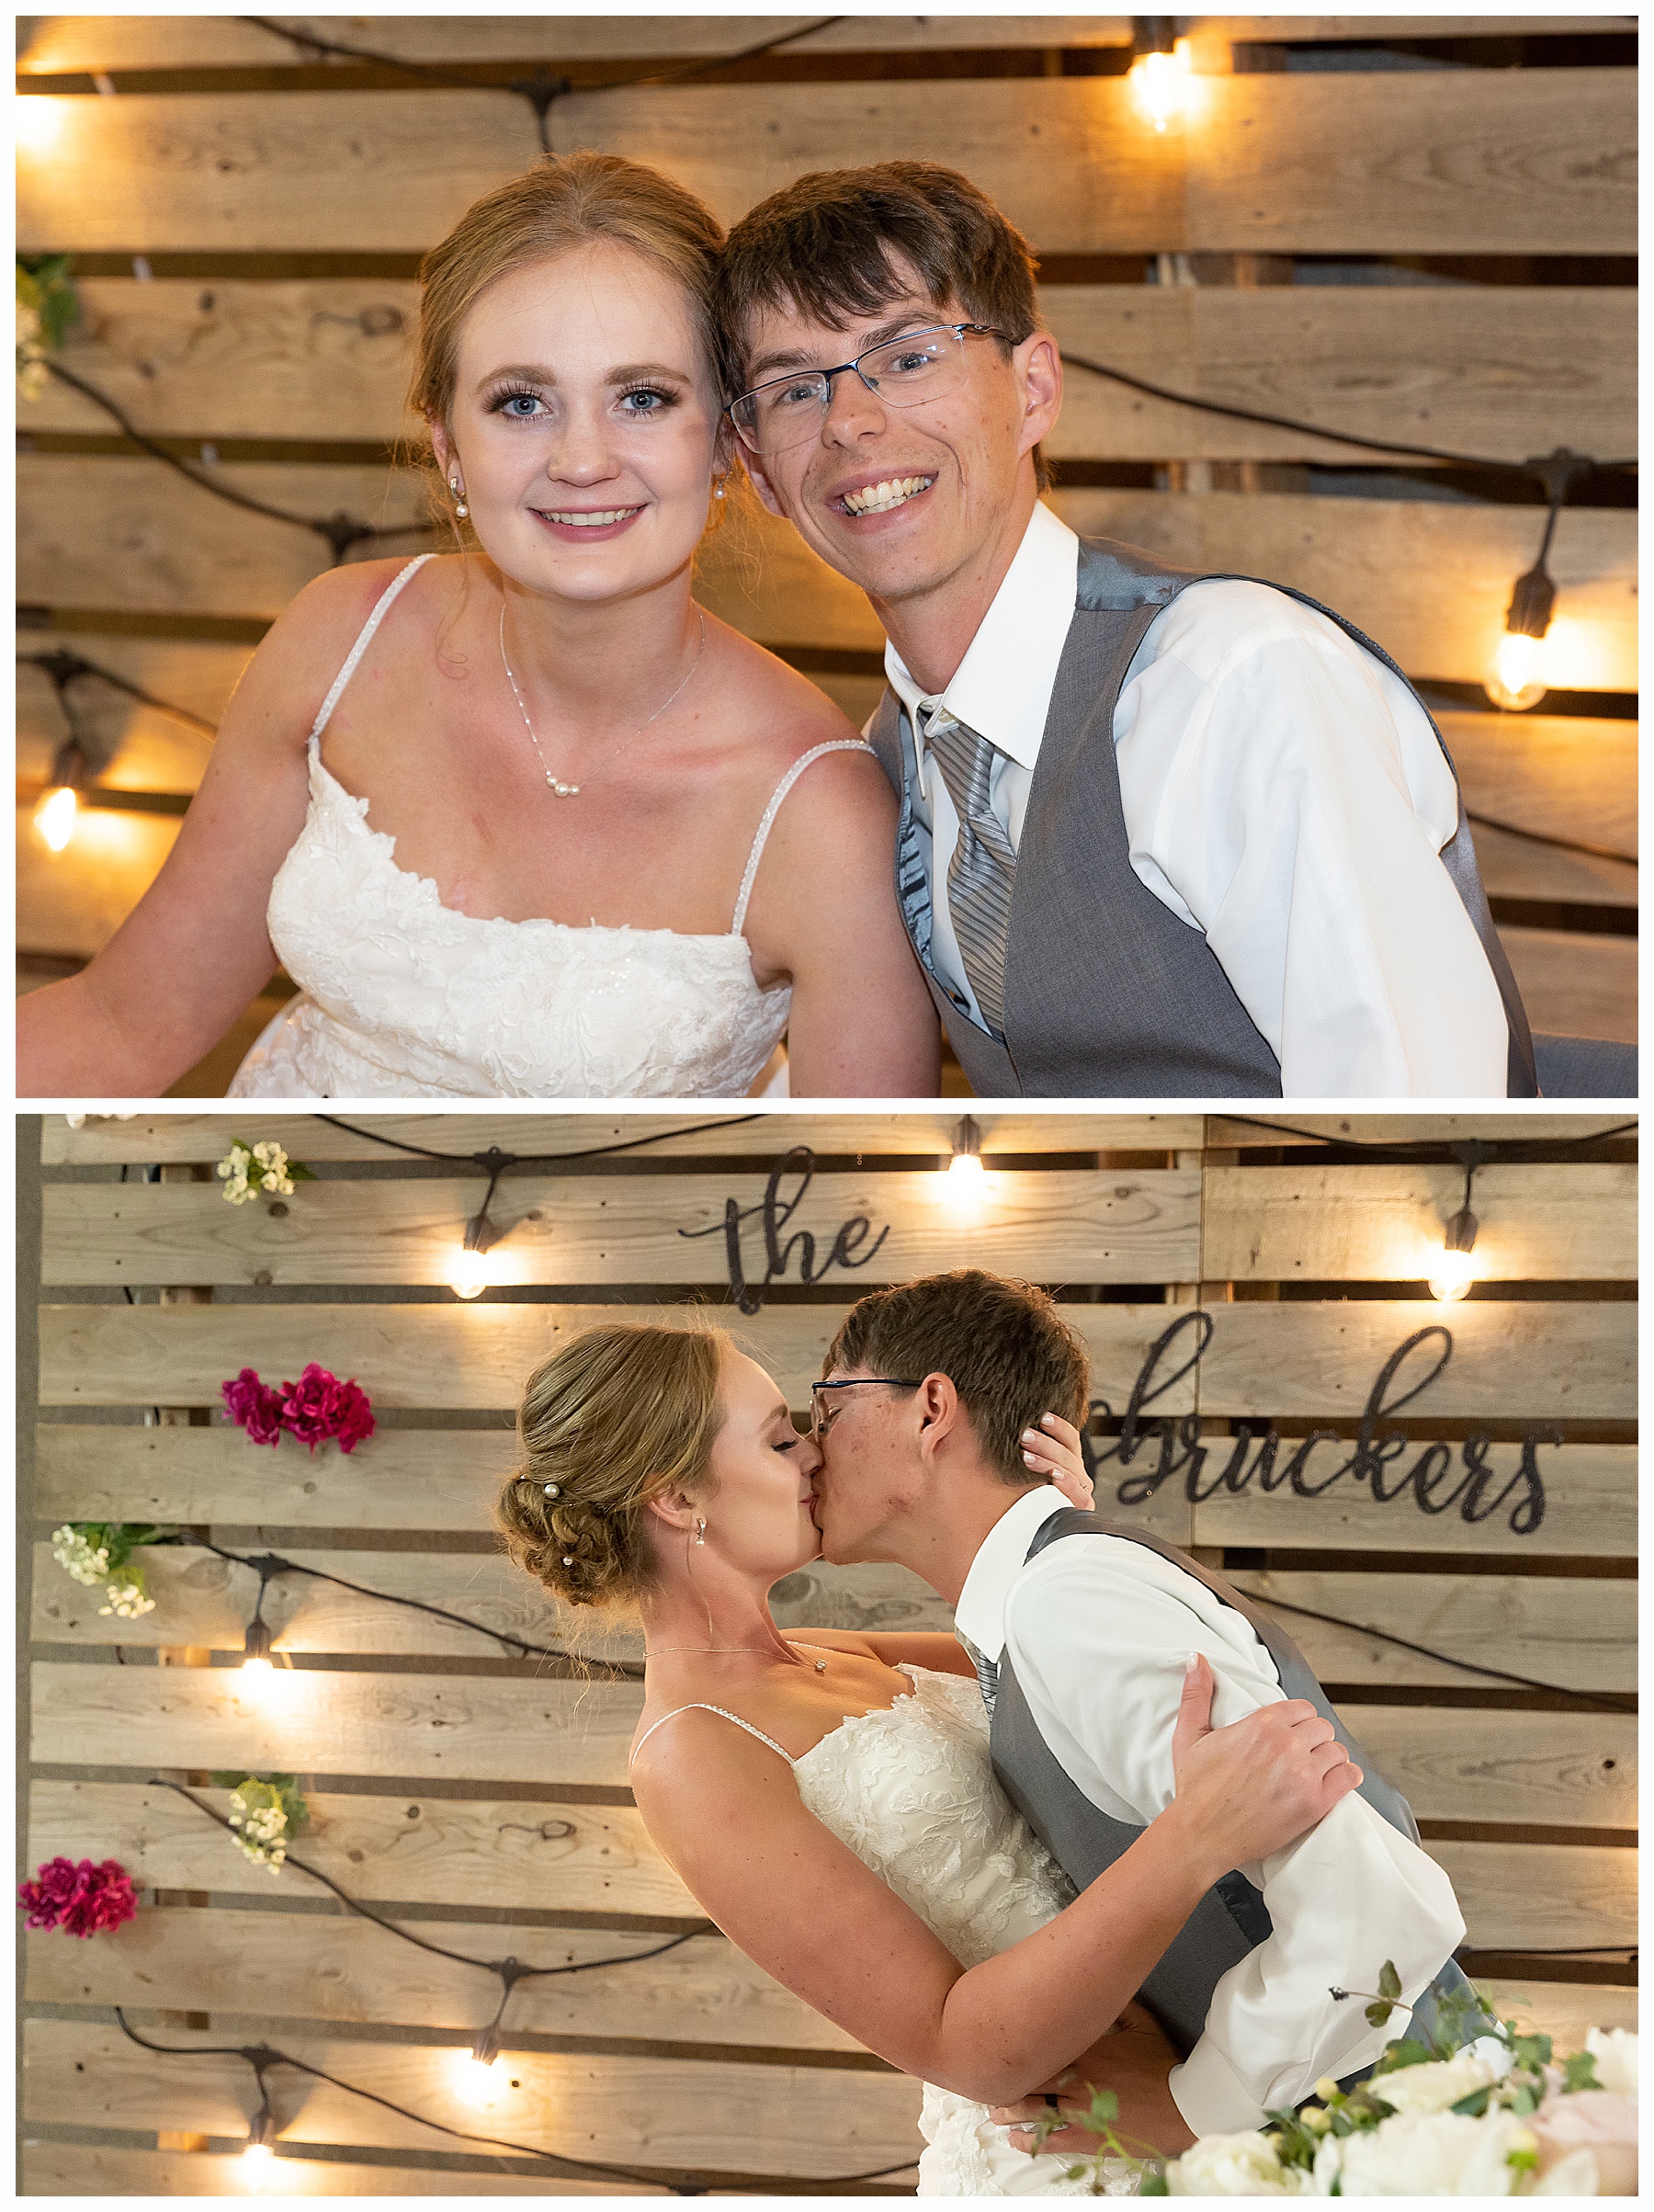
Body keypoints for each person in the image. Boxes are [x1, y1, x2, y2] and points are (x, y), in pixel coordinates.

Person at [17, 154, 937, 1101]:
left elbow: (852, 1207)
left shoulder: (822, 818)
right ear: (449, 447)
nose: (582, 460)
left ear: (724, 443)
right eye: (522, 403)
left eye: (644, 397)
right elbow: (121, 1026)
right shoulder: (339, 641)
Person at [712, 159, 1541, 1099]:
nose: (850, 424)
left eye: (907, 357)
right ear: (761, 472)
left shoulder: (1234, 681)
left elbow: (1418, 1117)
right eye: (794, 389)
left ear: (1034, 390)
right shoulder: (889, 761)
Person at [497, 1320, 1368, 2194]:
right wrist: (1192, 1843)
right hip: (1064, 2156)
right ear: (678, 1499)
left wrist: (1058, 1533)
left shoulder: (834, 1651)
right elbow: (959, 2044)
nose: (812, 1452)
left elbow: (1065, 1647)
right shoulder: (690, 1752)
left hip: (1205, 2091)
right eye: (776, 1437)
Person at [810, 1268, 1474, 2156]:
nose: (814, 1447)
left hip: (1411, 2140)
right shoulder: (1049, 1596)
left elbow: (1385, 1908)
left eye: (829, 1409)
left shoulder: (1069, 1600)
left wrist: (1194, 2106)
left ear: (932, 1408)